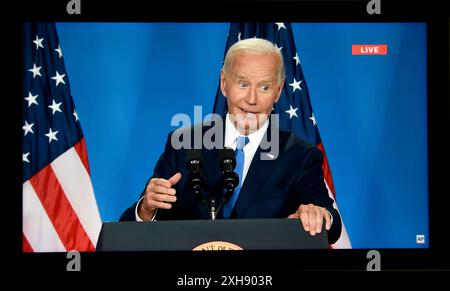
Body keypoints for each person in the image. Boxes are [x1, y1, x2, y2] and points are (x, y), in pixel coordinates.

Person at [120, 38, 342, 244]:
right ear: (224, 83)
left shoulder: (299, 156)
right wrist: (146, 209)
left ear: (278, 91)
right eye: (243, 84)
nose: (252, 99)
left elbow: (332, 225)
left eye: (264, 87)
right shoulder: (185, 143)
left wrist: (319, 215)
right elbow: (130, 230)